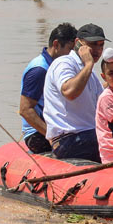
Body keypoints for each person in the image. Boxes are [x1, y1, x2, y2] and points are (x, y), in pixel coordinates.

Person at [41, 23, 106, 162]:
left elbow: (104, 103)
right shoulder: (64, 63)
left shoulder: (91, 74)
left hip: (89, 135)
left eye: (101, 45)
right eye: (92, 44)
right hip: (69, 139)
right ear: (78, 43)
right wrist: (89, 64)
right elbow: (70, 92)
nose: (98, 50)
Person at [18, 22, 76, 154]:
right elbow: (25, 110)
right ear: (56, 45)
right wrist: (51, 136)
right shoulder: (39, 70)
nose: (72, 55)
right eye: (69, 49)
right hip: (37, 134)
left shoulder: (61, 67)